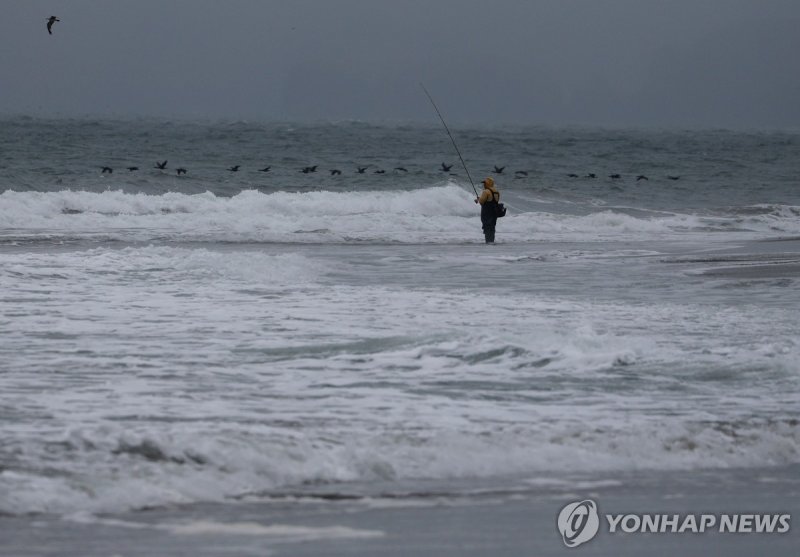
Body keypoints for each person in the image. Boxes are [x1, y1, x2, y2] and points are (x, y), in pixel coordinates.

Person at [475, 176, 500, 243]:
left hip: (487, 213)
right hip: (494, 213)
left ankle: (488, 243)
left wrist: (478, 199)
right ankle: (491, 242)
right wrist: (480, 199)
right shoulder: (496, 191)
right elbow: (493, 200)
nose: (484, 185)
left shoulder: (486, 191)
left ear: (488, 183)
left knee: (487, 227)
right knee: (492, 227)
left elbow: (481, 202)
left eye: (485, 183)